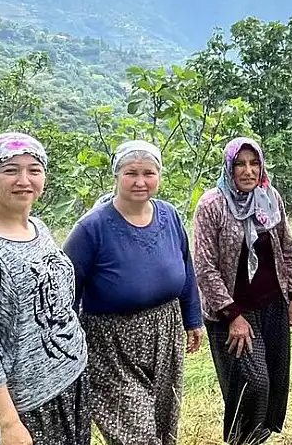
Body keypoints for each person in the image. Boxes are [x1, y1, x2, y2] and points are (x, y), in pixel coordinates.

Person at [0, 132, 90, 445]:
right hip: (27, 406)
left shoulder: (38, 228)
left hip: (68, 382)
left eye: (34, 170)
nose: (24, 180)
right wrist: (8, 423)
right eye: (10, 170)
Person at [62, 140, 204, 445]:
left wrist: (193, 318)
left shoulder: (169, 215)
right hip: (111, 342)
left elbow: (186, 267)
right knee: (135, 434)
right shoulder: (91, 228)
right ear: (116, 177)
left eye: (149, 173)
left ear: (159, 176)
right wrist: (67, 346)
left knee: (164, 422)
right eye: (131, 173)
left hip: (165, 330)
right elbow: (66, 292)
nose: (141, 181)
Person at [193, 136, 292, 445]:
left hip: (273, 306)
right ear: (229, 167)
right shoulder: (212, 205)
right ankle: (240, 440)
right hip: (233, 313)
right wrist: (232, 316)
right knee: (253, 383)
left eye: (254, 163)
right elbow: (204, 266)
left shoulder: (270, 197)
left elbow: (286, 247)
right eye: (240, 164)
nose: (248, 171)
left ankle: (257, 438)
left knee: (274, 383)